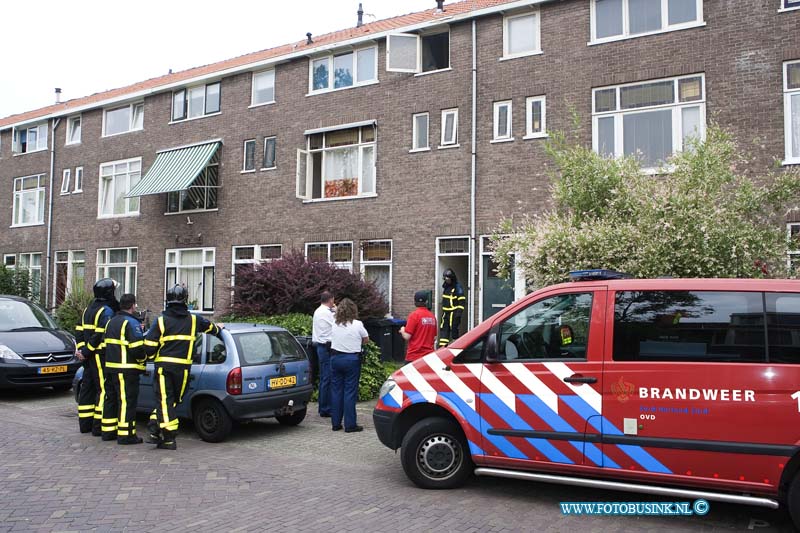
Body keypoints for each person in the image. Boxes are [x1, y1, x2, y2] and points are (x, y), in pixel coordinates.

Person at [143, 284, 223, 450]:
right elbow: (211, 328)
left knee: (166, 401)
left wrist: (152, 357)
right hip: (184, 369)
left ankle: (168, 438)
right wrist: (219, 329)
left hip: (164, 368)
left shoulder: (161, 321)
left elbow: (149, 346)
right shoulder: (194, 320)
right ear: (185, 300)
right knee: (172, 401)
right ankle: (154, 427)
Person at [99, 293, 146, 445]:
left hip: (110, 368)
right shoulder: (131, 323)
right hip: (126, 370)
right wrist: (143, 360)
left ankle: (107, 431)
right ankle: (126, 435)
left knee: (110, 399)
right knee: (127, 402)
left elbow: (104, 346)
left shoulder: (110, 322)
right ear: (133, 305)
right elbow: (137, 348)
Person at [75, 278, 118, 435]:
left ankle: (85, 424)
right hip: (99, 356)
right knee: (102, 389)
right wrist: (86, 351)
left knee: (87, 388)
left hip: (87, 357)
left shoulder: (88, 309)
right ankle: (97, 427)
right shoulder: (106, 311)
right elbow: (99, 335)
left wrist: (81, 351)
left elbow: (79, 330)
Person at [329, 298, 368, 433]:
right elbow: (366, 339)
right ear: (353, 310)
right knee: (349, 392)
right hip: (351, 359)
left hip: (335, 358)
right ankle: (350, 425)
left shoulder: (334, 323)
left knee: (336, 391)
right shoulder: (358, 324)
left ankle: (335, 423)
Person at [312, 291, 336, 418]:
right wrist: (337, 312)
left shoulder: (318, 311)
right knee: (327, 377)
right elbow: (338, 325)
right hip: (326, 348)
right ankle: (326, 408)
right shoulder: (326, 313)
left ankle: (324, 407)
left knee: (324, 378)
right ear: (331, 300)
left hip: (321, 347)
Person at [400, 291, 438, 362]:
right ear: (426, 302)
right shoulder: (432, 317)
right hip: (429, 357)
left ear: (415, 302)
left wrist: (402, 330)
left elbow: (407, 336)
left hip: (414, 357)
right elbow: (435, 337)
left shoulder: (414, 315)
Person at [438, 269, 466, 347]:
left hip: (454, 313)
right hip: (446, 313)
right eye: (445, 278)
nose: (446, 280)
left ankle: (455, 348)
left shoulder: (457, 287)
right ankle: (442, 349)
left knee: (454, 331)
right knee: (444, 330)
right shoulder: (446, 287)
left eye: (448, 278)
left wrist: (458, 313)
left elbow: (462, 301)